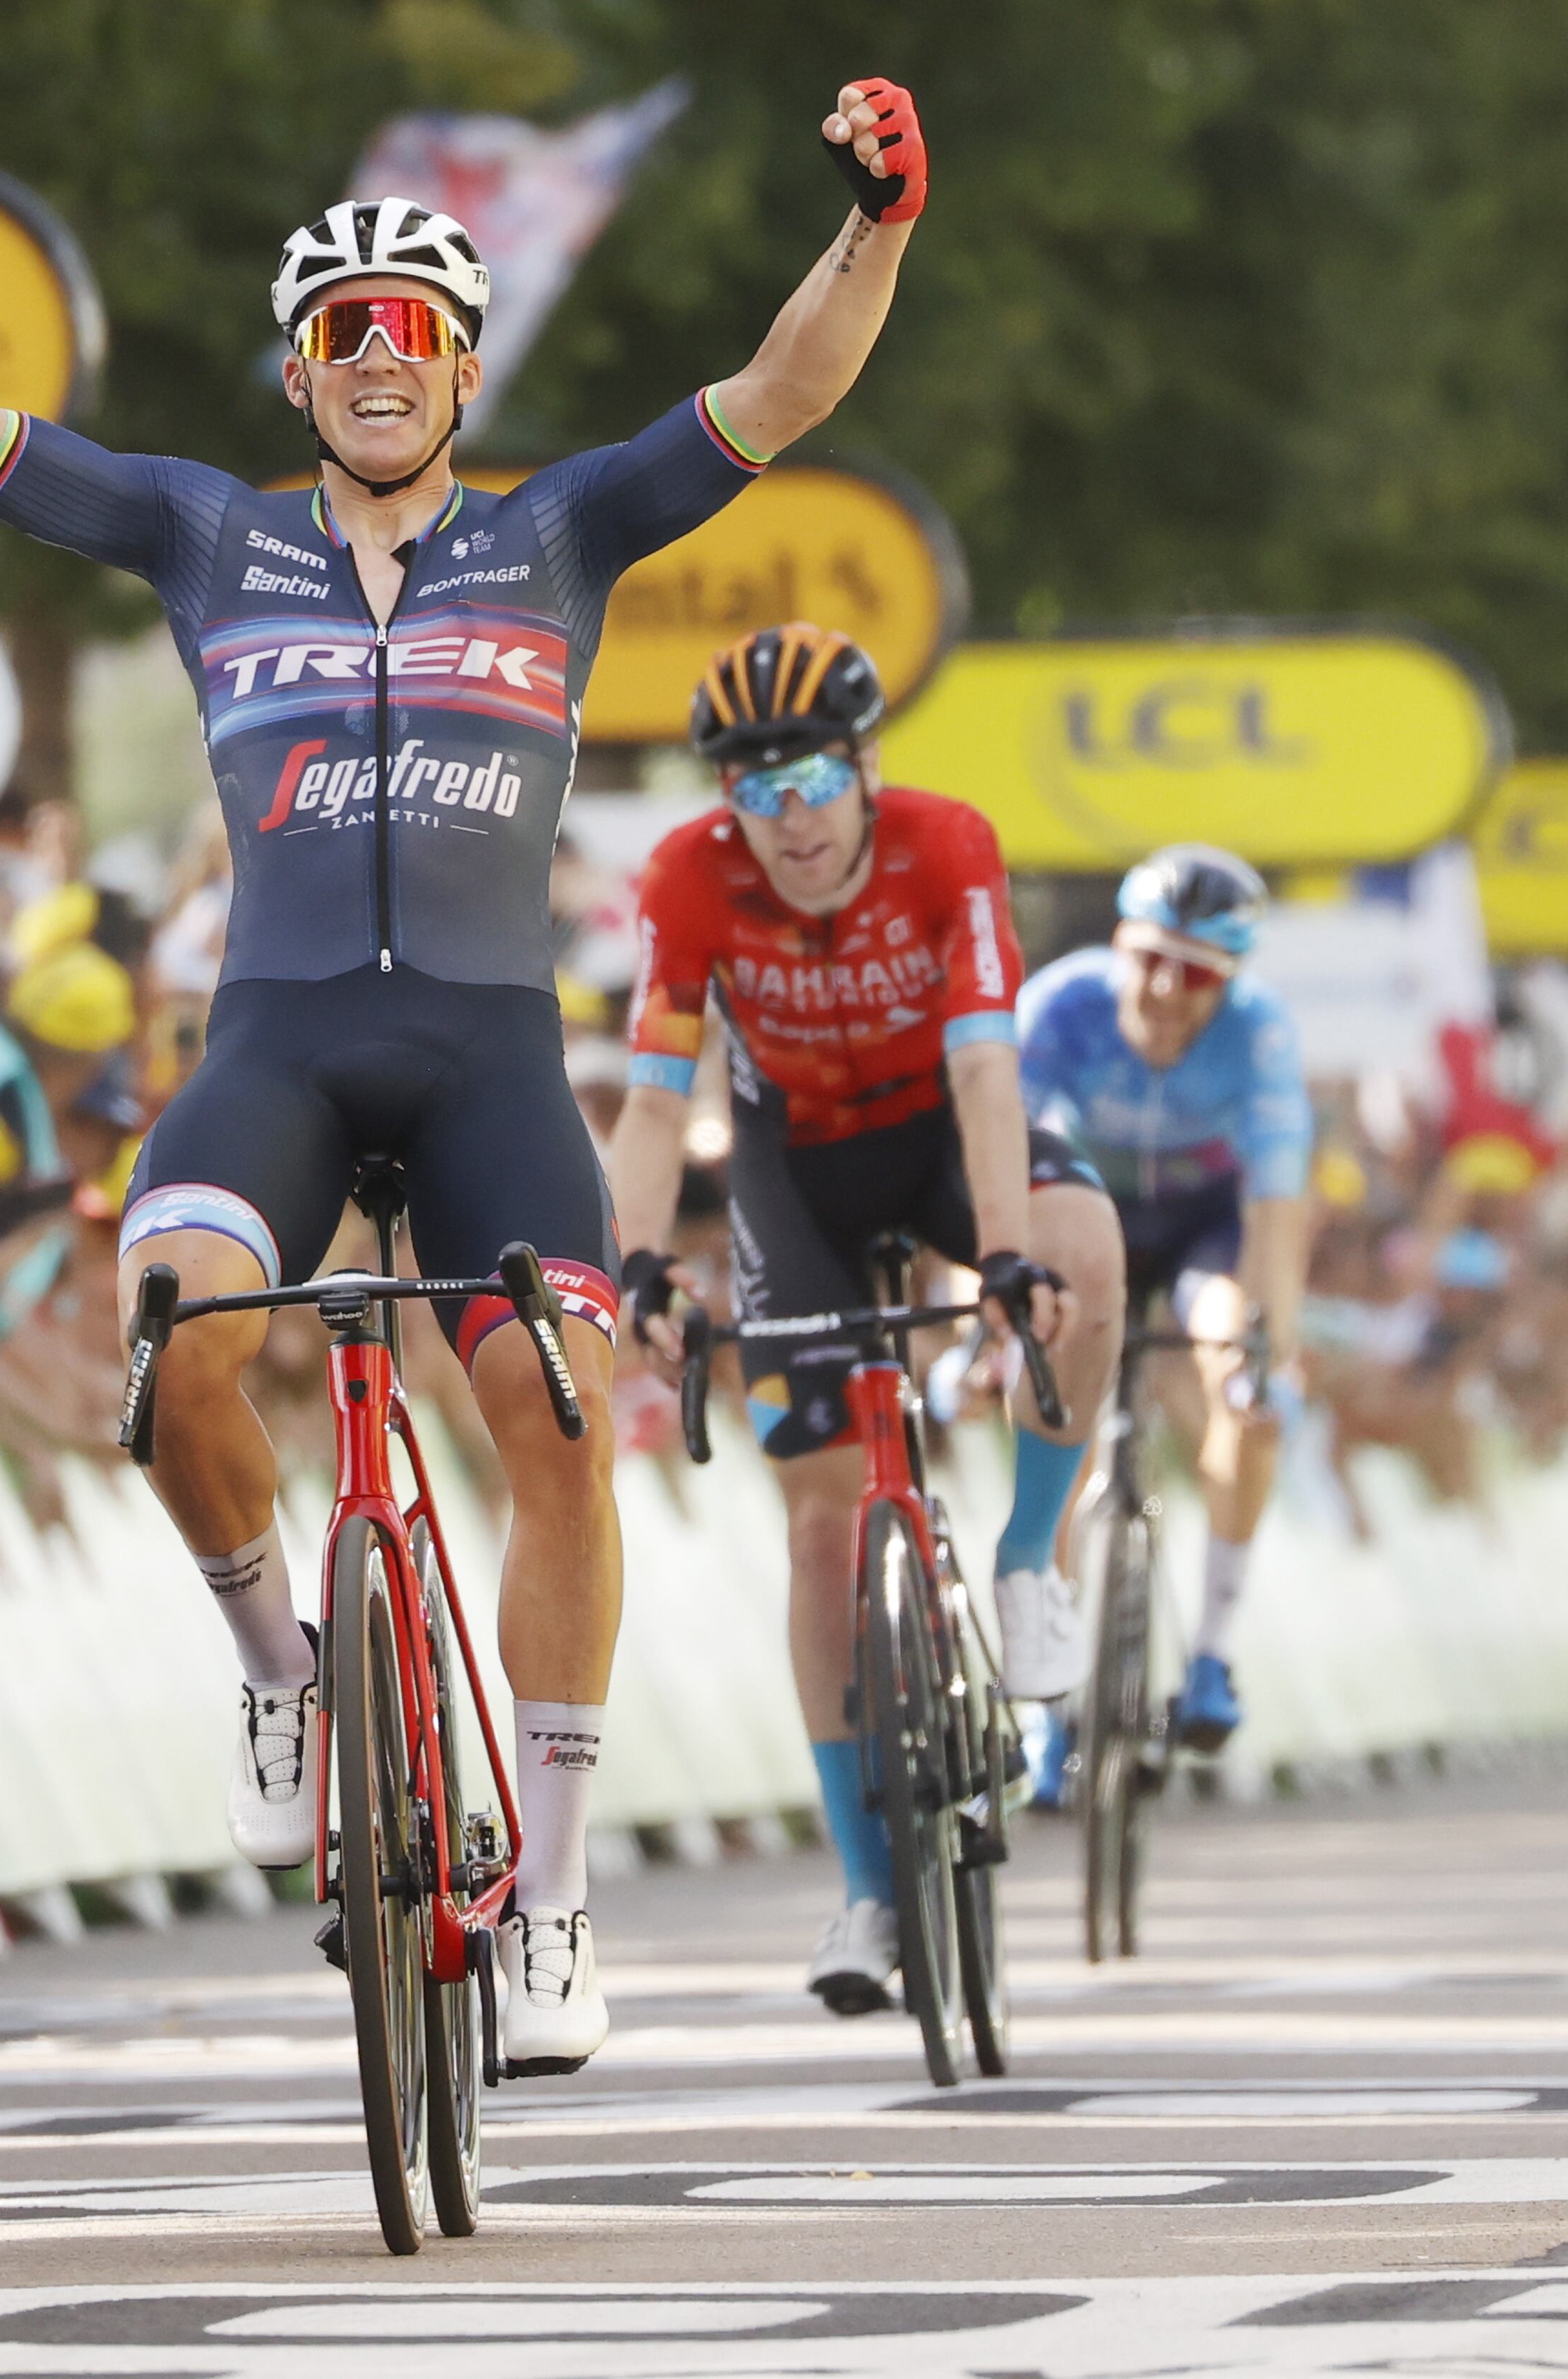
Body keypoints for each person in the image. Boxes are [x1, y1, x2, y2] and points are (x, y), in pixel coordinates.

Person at [0, 71, 934, 2073]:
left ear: (460, 367)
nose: (378, 359)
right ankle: (284, 1669)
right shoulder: (206, 537)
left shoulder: (560, 530)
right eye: (342, 335)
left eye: (415, 334)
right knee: (171, 1330)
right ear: (300, 378)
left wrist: (878, 226)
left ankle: (545, 1895)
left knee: (556, 1394)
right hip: (273, 1044)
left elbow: (781, 394)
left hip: (483, 1056)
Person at [607, 622, 1125, 2017]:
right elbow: (656, 1099)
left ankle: (1026, 1558)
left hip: (942, 1134)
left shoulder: (944, 847)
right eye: (751, 793)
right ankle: (860, 1887)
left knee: (1087, 1254)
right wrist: (641, 1267)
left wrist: (1006, 1257)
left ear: (864, 766)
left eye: (809, 784)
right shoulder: (686, 881)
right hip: (798, 1174)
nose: (785, 822)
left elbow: (986, 1074)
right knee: (824, 1524)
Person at [1015, 847, 1313, 1753]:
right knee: (1048, 1403)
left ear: (1228, 984)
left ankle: (1213, 1656)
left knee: (1245, 1386)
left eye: (1195, 975)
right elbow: (997, 1180)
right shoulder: (1062, 1006)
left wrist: (1264, 1348)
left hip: (1203, 1229)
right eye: (1148, 960)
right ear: (1118, 946)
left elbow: (1275, 1209)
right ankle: (1047, 1700)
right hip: (1086, 1213)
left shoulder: (1260, 1031)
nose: (1164, 990)